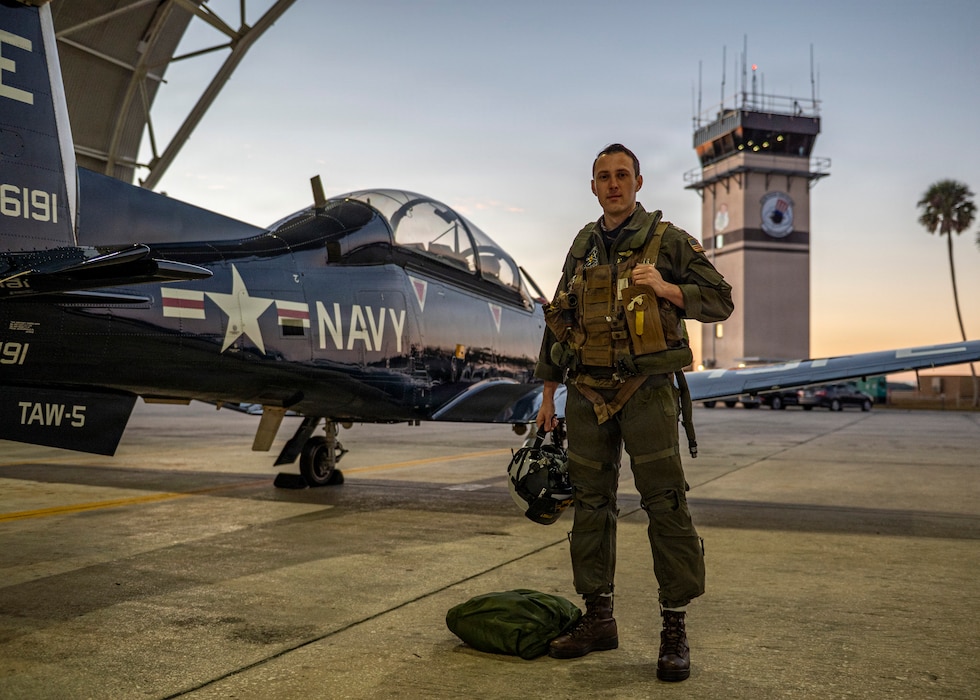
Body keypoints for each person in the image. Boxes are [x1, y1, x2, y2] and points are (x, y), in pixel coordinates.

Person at [534, 143, 733, 681]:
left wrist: (667, 288)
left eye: (623, 175)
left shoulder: (667, 241)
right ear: (593, 186)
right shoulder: (583, 246)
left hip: (646, 391)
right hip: (586, 394)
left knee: (665, 503)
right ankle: (599, 617)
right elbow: (557, 320)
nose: (614, 184)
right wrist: (547, 396)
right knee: (592, 505)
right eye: (604, 177)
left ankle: (674, 626)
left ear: (639, 183)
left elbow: (720, 298)